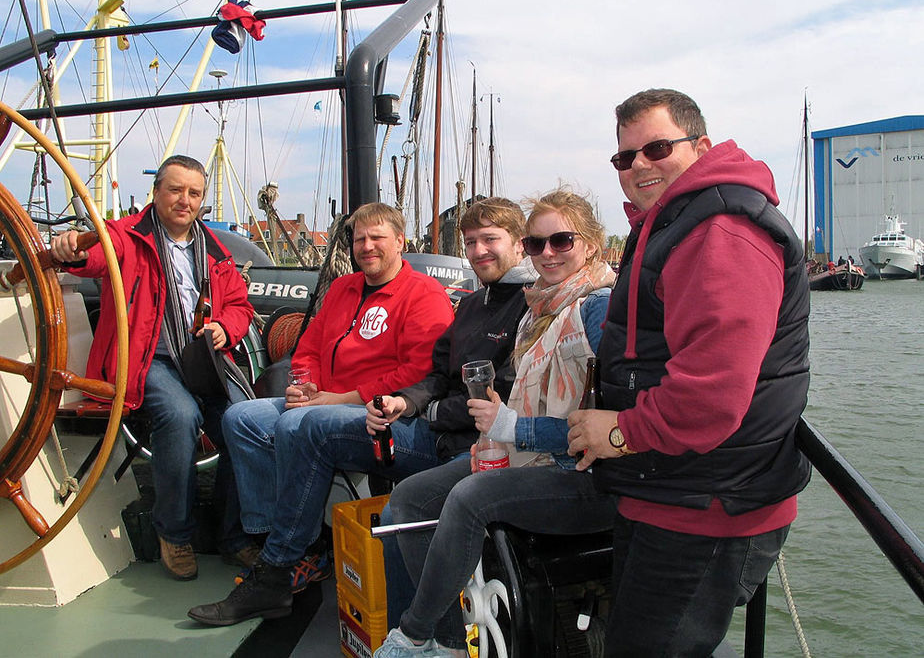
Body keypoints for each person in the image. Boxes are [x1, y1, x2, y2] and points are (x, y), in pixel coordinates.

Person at [566, 88, 811, 656]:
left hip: (708, 506)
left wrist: (622, 431)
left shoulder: (719, 231)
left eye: (655, 148)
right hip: (670, 488)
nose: (638, 166)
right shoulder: (674, 223)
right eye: (624, 158)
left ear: (700, 146)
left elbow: (713, 397)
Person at [187, 203, 455, 626]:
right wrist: (306, 383)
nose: (366, 246)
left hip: (383, 416)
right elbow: (308, 347)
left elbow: (418, 374)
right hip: (322, 399)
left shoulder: (424, 295)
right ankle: (281, 541)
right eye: (359, 238)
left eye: (377, 237)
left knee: (299, 422)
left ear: (400, 242)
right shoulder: (344, 289)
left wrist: (335, 399)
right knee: (241, 418)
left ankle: (283, 561)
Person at [375, 189, 617, 658]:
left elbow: (605, 424)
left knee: (469, 496)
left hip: (583, 475)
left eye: (561, 241)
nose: (547, 254)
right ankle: (447, 642)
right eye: (536, 244)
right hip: (524, 456)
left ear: (589, 244)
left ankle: (414, 635)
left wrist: (508, 425)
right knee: (408, 499)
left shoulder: (598, 308)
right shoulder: (538, 309)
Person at [50, 155, 258, 581]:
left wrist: (225, 327)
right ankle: (175, 533)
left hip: (203, 361)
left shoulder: (216, 252)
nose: (185, 200)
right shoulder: (125, 236)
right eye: (176, 190)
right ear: (156, 192)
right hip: (148, 360)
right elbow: (88, 256)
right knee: (181, 416)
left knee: (246, 423)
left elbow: (240, 305)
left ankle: (233, 535)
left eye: (194, 193)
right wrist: (69, 247)